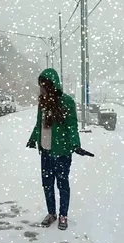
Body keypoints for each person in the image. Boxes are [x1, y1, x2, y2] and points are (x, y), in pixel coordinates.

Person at [27, 68, 93, 230]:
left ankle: (63, 215)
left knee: (62, 184)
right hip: (46, 151)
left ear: (51, 85)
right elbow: (39, 124)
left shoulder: (66, 101)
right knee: (47, 184)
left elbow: (72, 126)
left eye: (43, 85)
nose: (41, 88)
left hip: (62, 151)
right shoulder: (42, 102)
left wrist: (75, 144)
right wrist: (33, 138)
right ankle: (52, 213)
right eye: (40, 85)